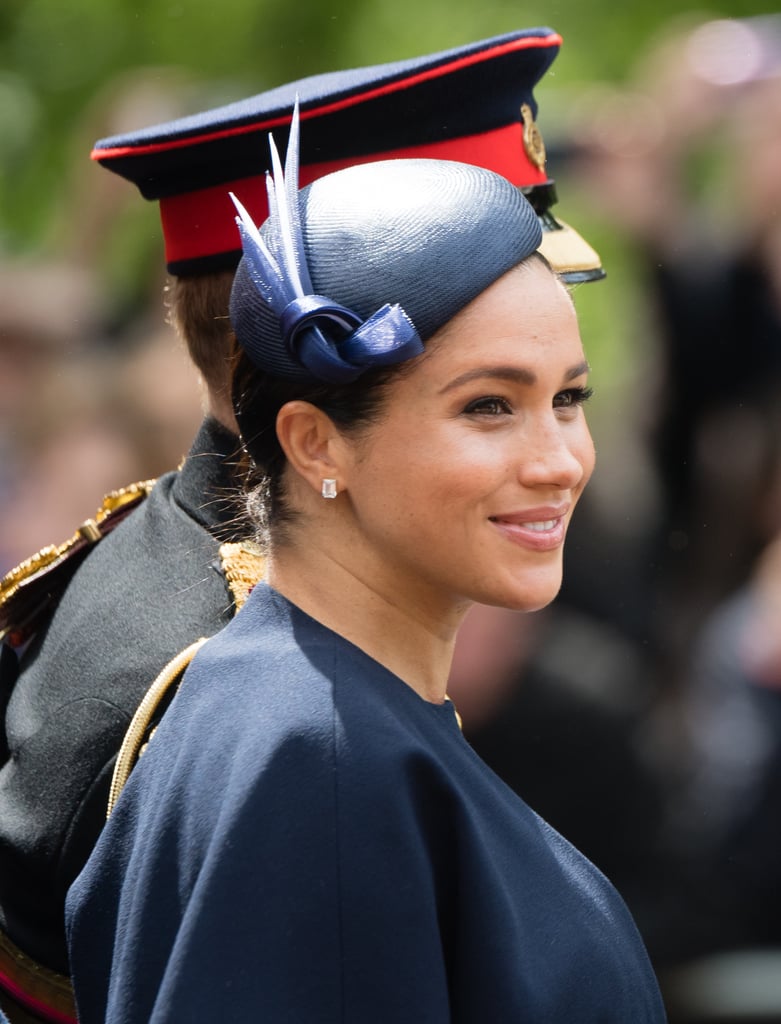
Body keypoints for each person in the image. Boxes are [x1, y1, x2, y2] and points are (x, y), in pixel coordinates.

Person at [0, 27, 605, 1023]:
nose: (554, 453)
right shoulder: (268, 697)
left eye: (563, 394)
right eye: (485, 392)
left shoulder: (172, 570)